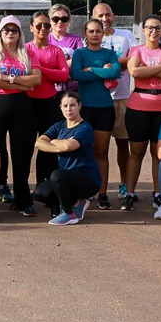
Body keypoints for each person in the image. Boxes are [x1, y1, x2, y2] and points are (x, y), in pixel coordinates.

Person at [122, 16, 161, 211]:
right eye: (149, 28)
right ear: (143, 31)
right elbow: (135, 72)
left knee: (159, 155)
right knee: (136, 153)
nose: (153, 31)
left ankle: (159, 195)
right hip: (139, 107)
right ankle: (129, 193)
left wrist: (150, 70)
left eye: (157, 28)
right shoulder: (136, 50)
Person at [0, 15, 39, 216]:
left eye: (14, 30)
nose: (10, 34)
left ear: (20, 33)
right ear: (0, 33)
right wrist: (21, 82)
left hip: (21, 106)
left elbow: (36, 80)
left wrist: (8, 77)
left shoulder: (27, 52)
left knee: (21, 154)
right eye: (6, 30)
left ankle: (23, 199)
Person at [68, 19, 122, 209]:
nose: (95, 34)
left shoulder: (109, 53)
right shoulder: (80, 53)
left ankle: (102, 193)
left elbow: (115, 73)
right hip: (84, 109)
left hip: (104, 108)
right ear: (85, 33)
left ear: (103, 33)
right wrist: (102, 72)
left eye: (98, 31)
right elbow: (77, 74)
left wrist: (91, 69)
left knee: (101, 152)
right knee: (81, 151)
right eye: (91, 31)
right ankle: (82, 191)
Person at [33, 91, 99, 225]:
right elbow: (39, 142)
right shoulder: (59, 126)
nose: (69, 109)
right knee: (40, 192)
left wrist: (53, 141)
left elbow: (69, 146)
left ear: (79, 106)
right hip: (67, 178)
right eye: (65, 106)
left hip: (88, 180)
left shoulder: (85, 128)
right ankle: (77, 203)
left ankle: (69, 214)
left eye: (73, 105)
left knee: (57, 175)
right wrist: (58, 146)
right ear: (61, 108)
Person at [92, 3, 135, 199]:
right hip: (97, 100)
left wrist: (109, 66)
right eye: (100, 14)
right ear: (93, 16)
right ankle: (96, 186)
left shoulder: (125, 35)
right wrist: (116, 65)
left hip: (122, 98)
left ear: (114, 15)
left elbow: (135, 59)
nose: (104, 17)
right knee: (96, 148)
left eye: (108, 14)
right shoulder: (91, 35)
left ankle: (125, 184)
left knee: (122, 145)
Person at [27, 10, 71, 185]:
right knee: (26, 146)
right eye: (38, 25)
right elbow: (24, 73)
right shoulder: (25, 49)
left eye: (46, 25)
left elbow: (63, 75)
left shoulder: (56, 50)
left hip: (50, 102)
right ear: (31, 27)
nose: (43, 28)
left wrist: (38, 70)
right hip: (28, 103)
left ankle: (45, 185)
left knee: (49, 146)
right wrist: (48, 73)